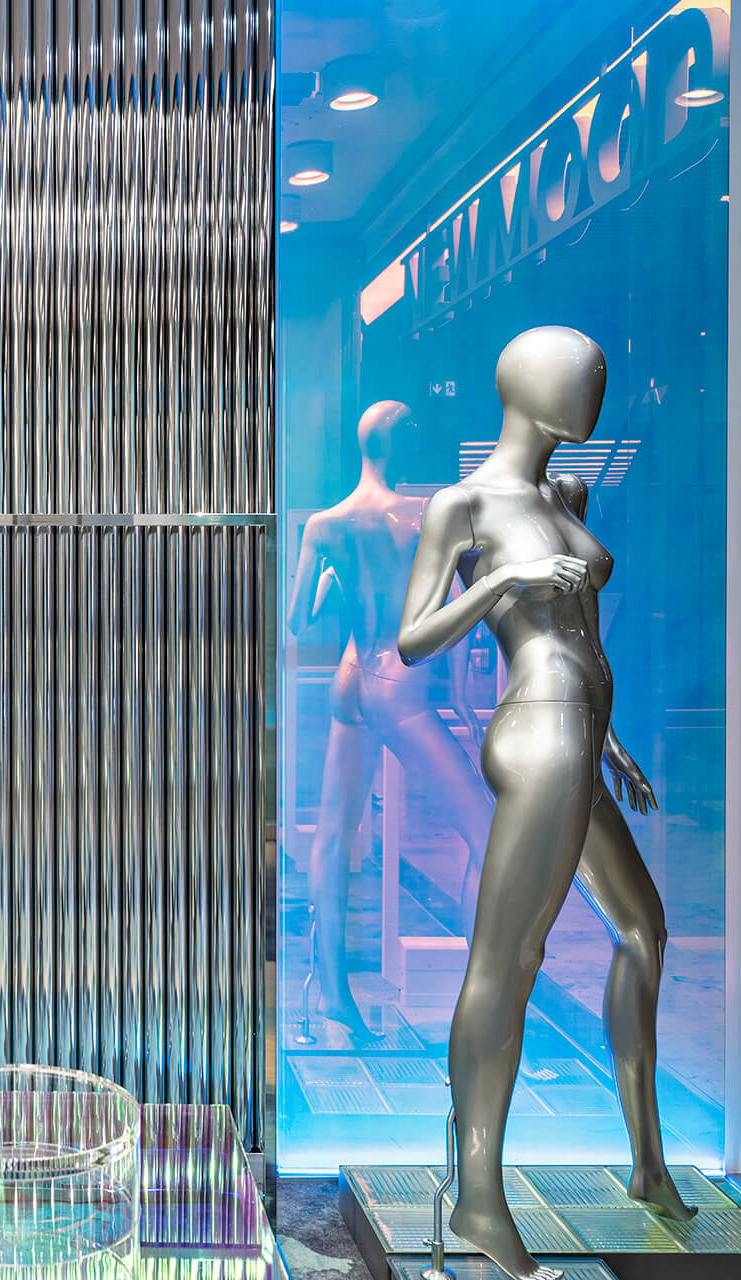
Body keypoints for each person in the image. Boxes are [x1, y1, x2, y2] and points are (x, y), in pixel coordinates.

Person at [397, 326, 690, 1280]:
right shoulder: (465, 505)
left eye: (596, 374)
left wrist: (610, 739)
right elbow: (412, 639)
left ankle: (649, 1164)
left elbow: (584, 630)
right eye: (578, 375)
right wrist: (503, 578)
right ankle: (481, 1201)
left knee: (644, 929)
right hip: (536, 732)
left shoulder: (566, 494)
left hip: (581, 734)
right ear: (525, 385)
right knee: (508, 958)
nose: (593, 387)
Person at [286, 400, 494, 1042]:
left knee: (333, 836)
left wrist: (334, 581)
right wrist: (463, 698)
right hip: (399, 684)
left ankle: (333, 997)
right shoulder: (426, 515)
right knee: (488, 834)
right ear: (398, 443)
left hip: (351, 676)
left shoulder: (325, 524)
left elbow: (298, 621)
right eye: (413, 430)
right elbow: (457, 608)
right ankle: (485, 1003)